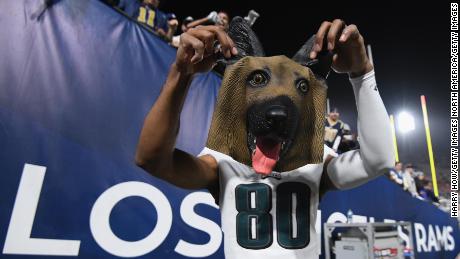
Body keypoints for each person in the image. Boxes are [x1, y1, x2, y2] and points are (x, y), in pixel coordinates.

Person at [135, 19, 393, 258]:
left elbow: (379, 160)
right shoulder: (225, 159)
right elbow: (152, 159)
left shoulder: (313, 158)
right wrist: (181, 72)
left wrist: (362, 73)